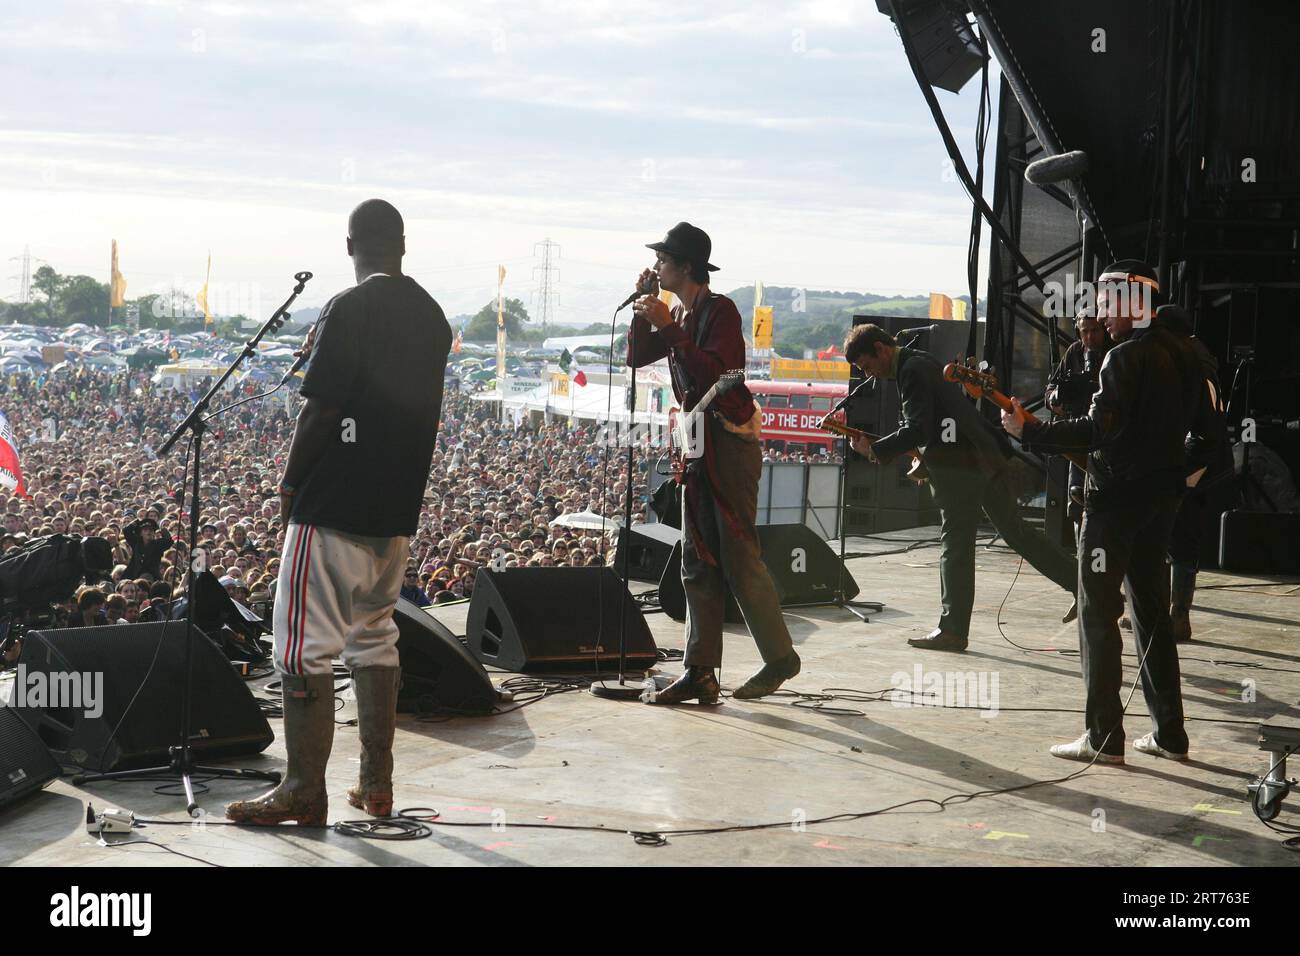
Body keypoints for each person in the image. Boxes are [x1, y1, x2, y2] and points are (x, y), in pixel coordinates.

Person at [227, 199, 452, 826]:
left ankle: (303, 787)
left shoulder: (349, 308)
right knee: (376, 638)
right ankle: (375, 788)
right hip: (396, 506)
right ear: (403, 244)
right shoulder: (433, 315)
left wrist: (290, 482)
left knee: (302, 650)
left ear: (349, 245)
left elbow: (320, 409)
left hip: (333, 506)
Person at [1002, 260, 1209, 763]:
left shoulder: (1125, 358)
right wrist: (1177, 484)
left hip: (1113, 506)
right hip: (1159, 505)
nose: (1100, 317)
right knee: (1152, 615)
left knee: (1098, 613)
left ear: (1130, 303)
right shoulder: (1189, 354)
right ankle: (1169, 734)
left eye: (1107, 306)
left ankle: (1103, 737)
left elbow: (1097, 432)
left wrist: (1029, 432)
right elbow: (1209, 439)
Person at [627, 222, 800, 704]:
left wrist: (668, 325)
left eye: (663, 260)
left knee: (739, 557)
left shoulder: (720, 311)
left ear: (685, 267)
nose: (656, 266)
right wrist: (647, 313)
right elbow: (636, 357)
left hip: (728, 441)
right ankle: (700, 670)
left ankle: (780, 657)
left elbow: (718, 376)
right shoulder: (677, 310)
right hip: (697, 442)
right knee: (696, 560)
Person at [844, 324, 1077, 652]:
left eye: (868, 366)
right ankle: (1090, 588)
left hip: (960, 469)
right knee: (1018, 535)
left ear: (881, 348)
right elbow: (937, 424)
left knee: (955, 545)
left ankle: (953, 629)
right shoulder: (920, 361)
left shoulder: (911, 370)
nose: (871, 374)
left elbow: (918, 429)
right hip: (984, 458)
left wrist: (874, 448)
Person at [1155, 304, 1230, 643]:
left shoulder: (1191, 362)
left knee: (1178, 534)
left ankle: (1177, 615)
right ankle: (1174, 613)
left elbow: (1204, 426)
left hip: (1195, 461)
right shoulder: (1197, 357)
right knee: (1178, 536)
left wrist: (1183, 469)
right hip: (1198, 459)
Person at [1047, 310, 1110, 510]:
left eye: (1095, 330)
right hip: (1077, 426)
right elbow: (1050, 388)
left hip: (1105, 432)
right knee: (1076, 498)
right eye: (1085, 331)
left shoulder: (1116, 352)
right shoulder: (1074, 352)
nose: (1090, 337)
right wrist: (1055, 400)